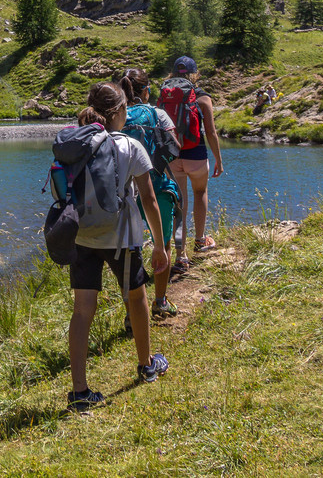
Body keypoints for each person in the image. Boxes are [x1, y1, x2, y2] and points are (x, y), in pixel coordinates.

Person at [66, 81, 171, 412]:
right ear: (120, 111)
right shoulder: (129, 145)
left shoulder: (75, 141)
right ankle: (146, 365)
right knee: (136, 297)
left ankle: (80, 392)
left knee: (82, 310)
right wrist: (159, 245)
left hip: (81, 236)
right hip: (121, 237)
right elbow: (149, 199)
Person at [118, 68, 181, 319]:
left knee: (127, 253)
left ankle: (130, 313)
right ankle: (160, 301)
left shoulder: (117, 116)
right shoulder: (157, 113)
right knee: (162, 243)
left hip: (125, 192)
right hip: (157, 186)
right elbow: (175, 147)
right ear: (146, 90)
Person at [166, 55, 223, 273]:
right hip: (196, 153)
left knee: (179, 203)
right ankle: (200, 240)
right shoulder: (202, 97)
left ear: (173, 73)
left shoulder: (166, 94)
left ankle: (180, 256)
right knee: (200, 192)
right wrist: (218, 159)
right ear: (195, 74)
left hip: (173, 155)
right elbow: (211, 132)